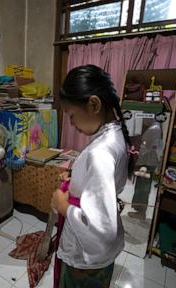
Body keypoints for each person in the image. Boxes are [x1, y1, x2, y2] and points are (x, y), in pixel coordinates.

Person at [51, 64, 134, 288]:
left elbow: (100, 229)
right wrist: (75, 178)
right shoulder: (116, 135)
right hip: (102, 255)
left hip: (85, 255)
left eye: (71, 115)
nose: (71, 124)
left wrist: (63, 206)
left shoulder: (100, 152)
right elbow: (99, 183)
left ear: (94, 104)